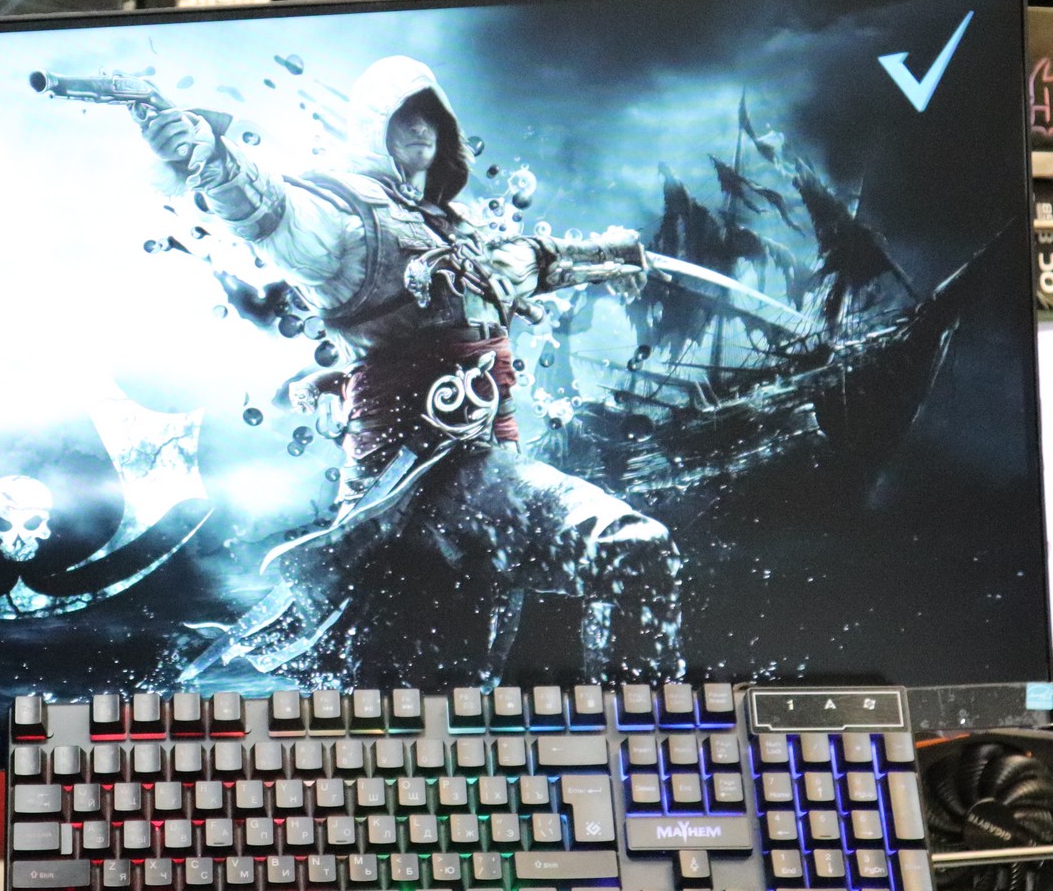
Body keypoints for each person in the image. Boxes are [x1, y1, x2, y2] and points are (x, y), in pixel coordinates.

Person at [144, 56, 683, 680]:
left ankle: (631, 734)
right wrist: (208, 156)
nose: (420, 126)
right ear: (375, 125)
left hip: (477, 481)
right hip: (409, 486)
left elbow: (533, 260)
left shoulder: (461, 231)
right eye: (404, 114)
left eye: (431, 115)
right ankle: (636, 728)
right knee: (628, 550)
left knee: (447, 704)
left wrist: (613, 253)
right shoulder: (342, 214)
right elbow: (270, 211)